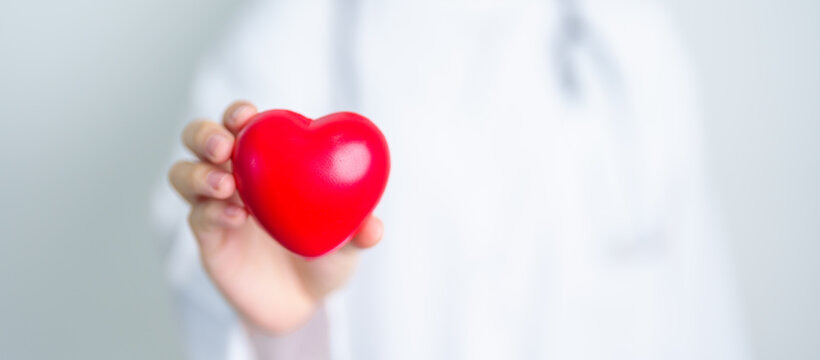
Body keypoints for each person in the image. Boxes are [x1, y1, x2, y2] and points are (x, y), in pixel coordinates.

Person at [154, 0, 748, 359]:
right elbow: (218, 315)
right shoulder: (282, 48)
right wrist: (287, 336)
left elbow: (699, 309)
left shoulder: (630, 49)